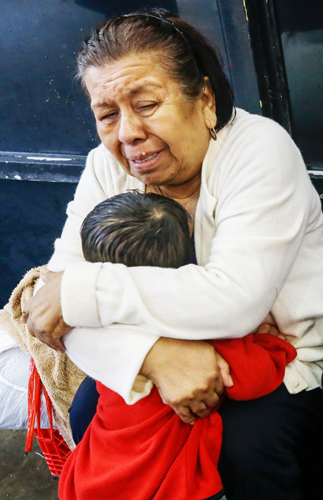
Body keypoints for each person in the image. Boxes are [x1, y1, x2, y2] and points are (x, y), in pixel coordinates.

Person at [19, 9, 323, 500]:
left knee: (248, 447)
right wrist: (154, 356)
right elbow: (50, 312)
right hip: (167, 341)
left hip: (282, 356)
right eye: (108, 114)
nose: (128, 132)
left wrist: (82, 292)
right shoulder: (106, 165)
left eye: (147, 104)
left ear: (203, 98)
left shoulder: (259, 149)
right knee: (85, 412)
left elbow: (234, 301)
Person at [59, 190, 296, 500]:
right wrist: (271, 344)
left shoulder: (100, 320)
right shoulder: (200, 322)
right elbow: (252, 379)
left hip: (93, 473)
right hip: (163, 484)